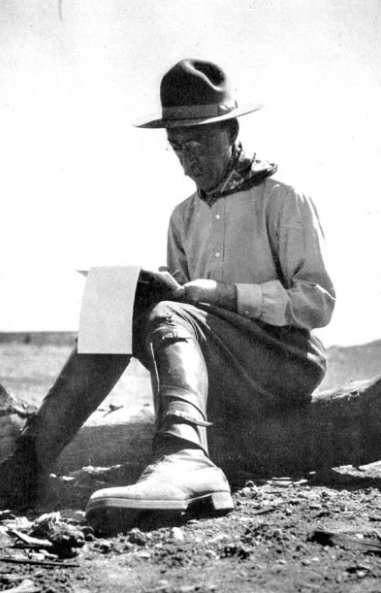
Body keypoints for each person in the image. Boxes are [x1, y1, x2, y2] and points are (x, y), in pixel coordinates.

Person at [0, 59, 335, 525]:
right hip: (218, 373)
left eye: (197, 142)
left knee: (169, 316)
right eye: (176, 147)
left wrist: (225, 295)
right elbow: (179, 320)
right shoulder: (183, 217)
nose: (187, 160)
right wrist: (163, 294)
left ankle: (185, 458)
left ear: (232, 130)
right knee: (114, 302)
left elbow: (317, 302)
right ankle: (28, 464)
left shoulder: (283, 198)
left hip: (283, 364)